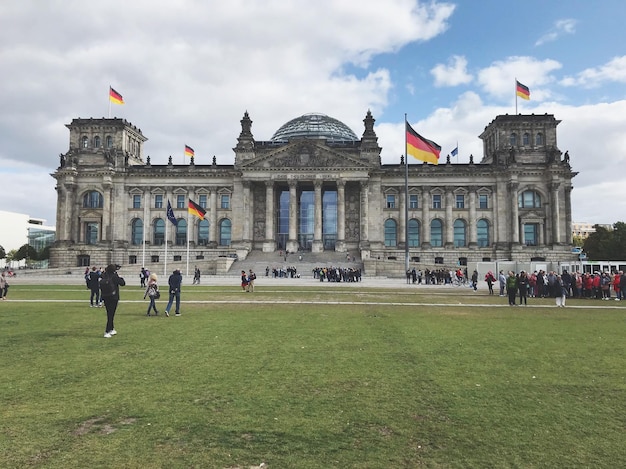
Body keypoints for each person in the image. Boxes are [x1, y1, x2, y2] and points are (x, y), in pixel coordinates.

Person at [100, 264, 126, 338]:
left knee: (110, 313)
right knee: (111, 315)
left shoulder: (104, 275)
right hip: (113, 297)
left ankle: (111, 328)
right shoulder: (114, 276)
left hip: (105, 296)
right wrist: (119, 276)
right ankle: (107, 331)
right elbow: (122, 283)